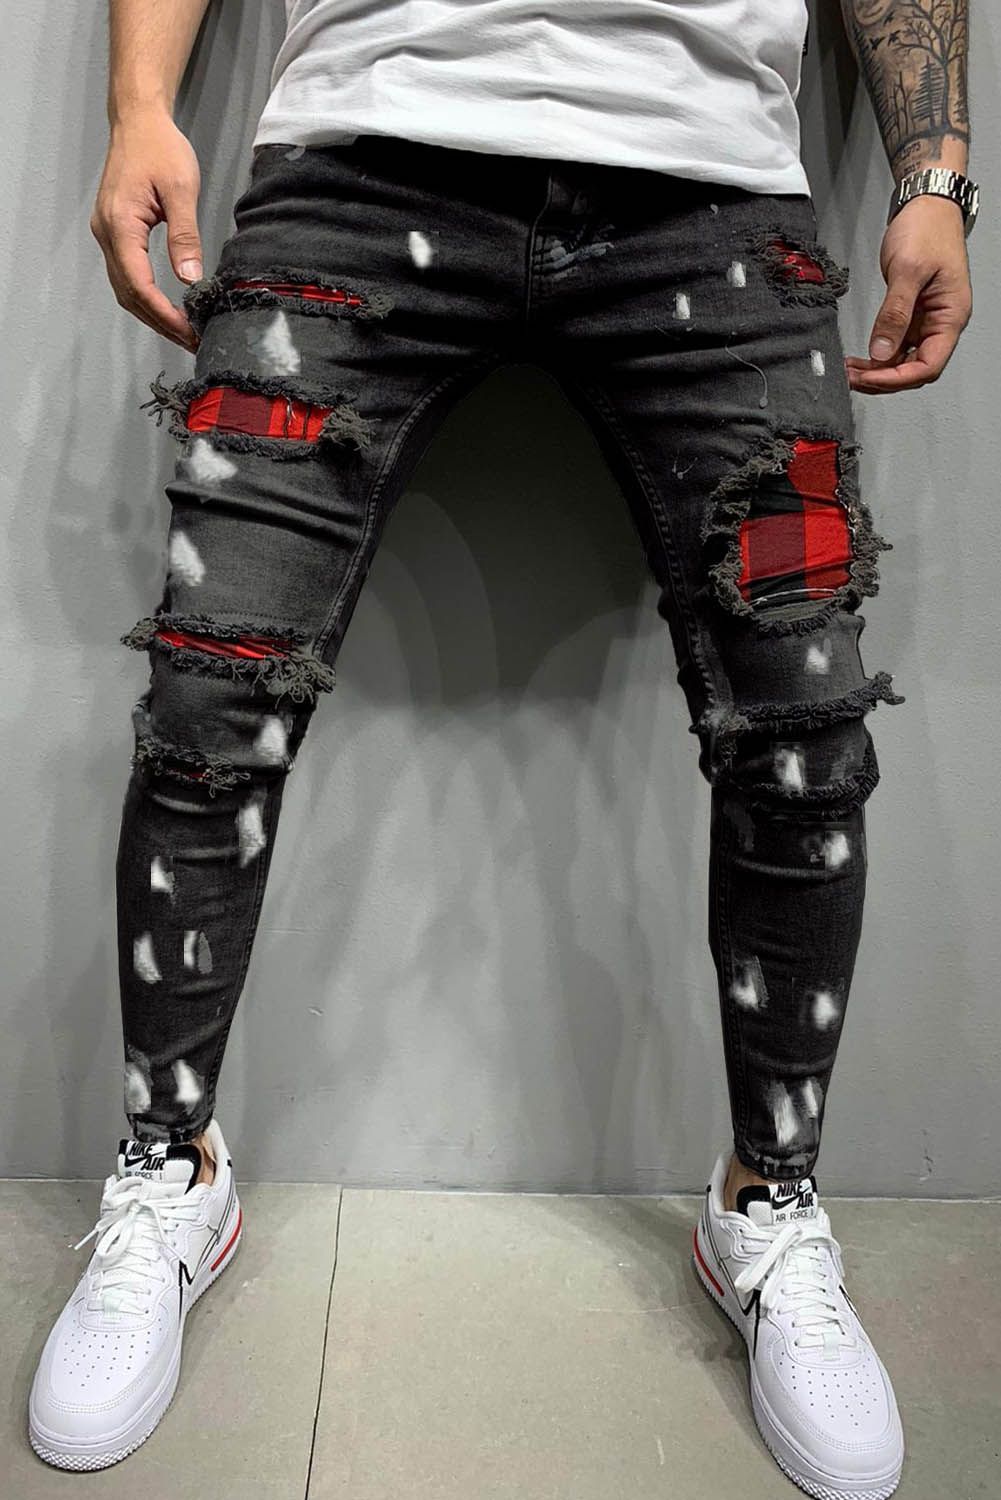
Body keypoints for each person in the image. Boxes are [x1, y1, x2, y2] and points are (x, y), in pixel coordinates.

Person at [29, 1, 975, 1492]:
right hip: (355, 163)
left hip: (711, 188)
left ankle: (768, 1203)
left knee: (803, 737)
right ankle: (169, 1171)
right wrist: (139, 105)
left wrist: (934, 173)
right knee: (211, 701)